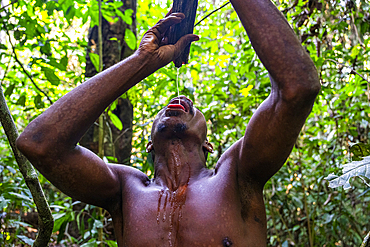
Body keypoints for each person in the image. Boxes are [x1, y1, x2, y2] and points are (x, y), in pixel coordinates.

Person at [16, 0, 321, 245]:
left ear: (208, 144)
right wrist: (142, 61)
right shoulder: (124, 189)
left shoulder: (237, 173)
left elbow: (298, 88)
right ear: (149, 143)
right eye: (167, 109)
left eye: (194, 109)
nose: (181, 103)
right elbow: (39, 144)